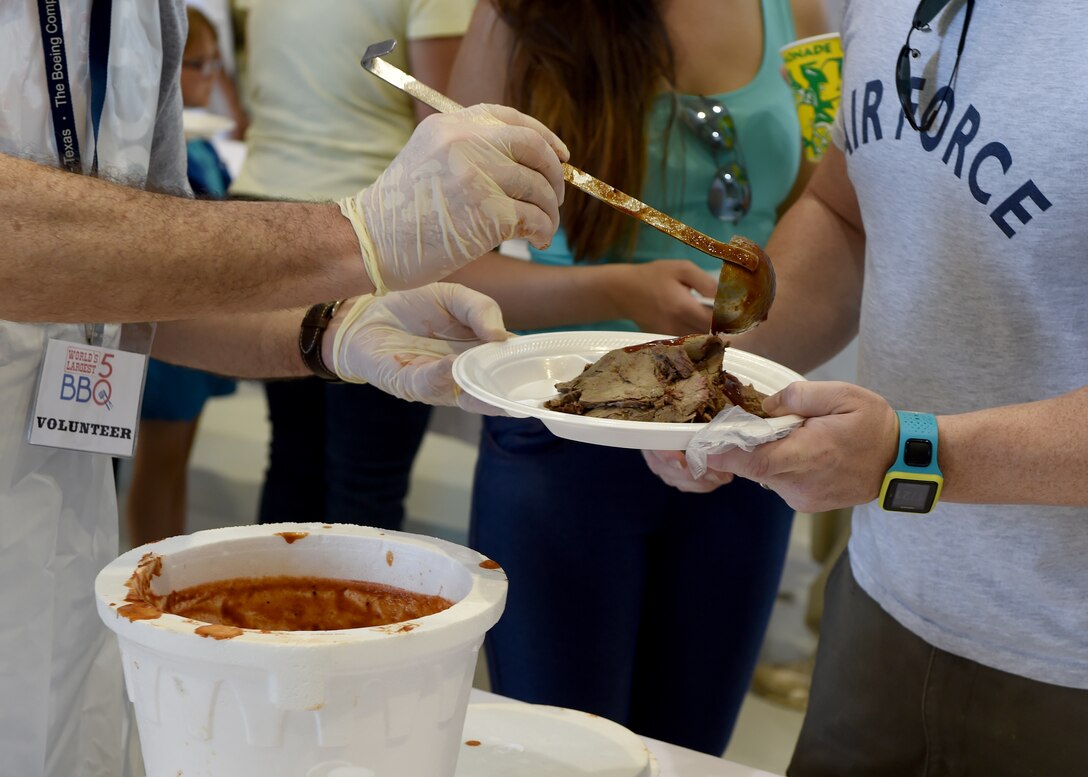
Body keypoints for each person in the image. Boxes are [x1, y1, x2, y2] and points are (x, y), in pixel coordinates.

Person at [1, 2, 567, 774]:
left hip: (58, 536)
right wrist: (356, 233)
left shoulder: (144, 14)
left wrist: (329, 329)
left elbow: (140, 277)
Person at [643, 1, 1088, 774]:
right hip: (884, 592)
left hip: (1063, 658)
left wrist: (908, 456)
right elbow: (844, 211)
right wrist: (718, 374)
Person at [446, 0, 826, 755]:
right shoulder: (521, 17)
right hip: (564, 437)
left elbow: (820, 215)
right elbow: (452, 258)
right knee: (565, 754)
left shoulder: (797, 13)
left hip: (736, 442)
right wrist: (617, 290)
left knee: (689, 752)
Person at [230, 0, 474, 529]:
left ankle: (275, 609)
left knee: (294, 456)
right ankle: (342, 610)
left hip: (264, 211)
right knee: (367, 478)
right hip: (369, 235)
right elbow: (446, 131)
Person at [125, 5, 239, 547]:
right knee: (160, 460)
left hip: (205, 317)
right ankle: (152, 564)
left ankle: (170, 555)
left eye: (214, 66)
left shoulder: (203, 142)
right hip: (169, 330)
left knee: (179, 458)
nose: (207, 80)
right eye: (197, 66)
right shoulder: (159, 152)